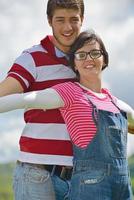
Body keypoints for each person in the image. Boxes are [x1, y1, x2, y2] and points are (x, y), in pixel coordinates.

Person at [0, 30, 134, 200]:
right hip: (89, 187)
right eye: (81, 55)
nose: (88, 58)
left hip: (123, 188)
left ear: (104, 59)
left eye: (94, 53)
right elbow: (22, 100)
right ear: (74, 64)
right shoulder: (68, 92)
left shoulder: (118, 104)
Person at [0, 0, 84, 199]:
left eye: (74, 20)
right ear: (49, 21)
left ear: (82, 20)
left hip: (80, 176)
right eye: (60, 20)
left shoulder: (87, 59)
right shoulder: (32, 57)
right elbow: (3, 93)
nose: (67, 27)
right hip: (37, 175)